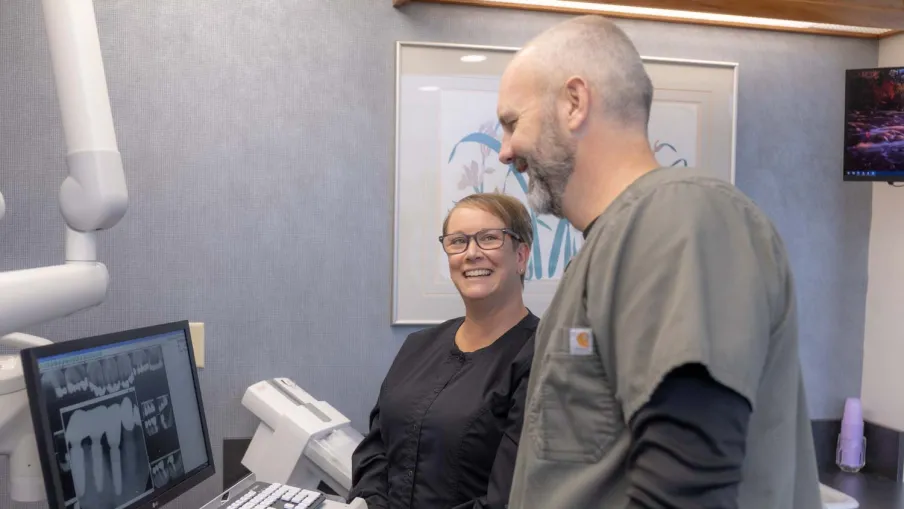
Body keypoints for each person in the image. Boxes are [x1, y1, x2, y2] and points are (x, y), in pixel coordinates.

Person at [496, 15, 822, 509]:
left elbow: (687, 489)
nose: (503, 151)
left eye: (512, 123)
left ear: (574, 102)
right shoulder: (612, 239)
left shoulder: (680, 216)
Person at [348, 193, 539, 509]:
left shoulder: (541, 357)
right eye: (458, 241)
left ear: (521, 255)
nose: (472, 253)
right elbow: (377, 447)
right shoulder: (418, 346)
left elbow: (512, 496)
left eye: (489, 239)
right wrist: (370, 501)